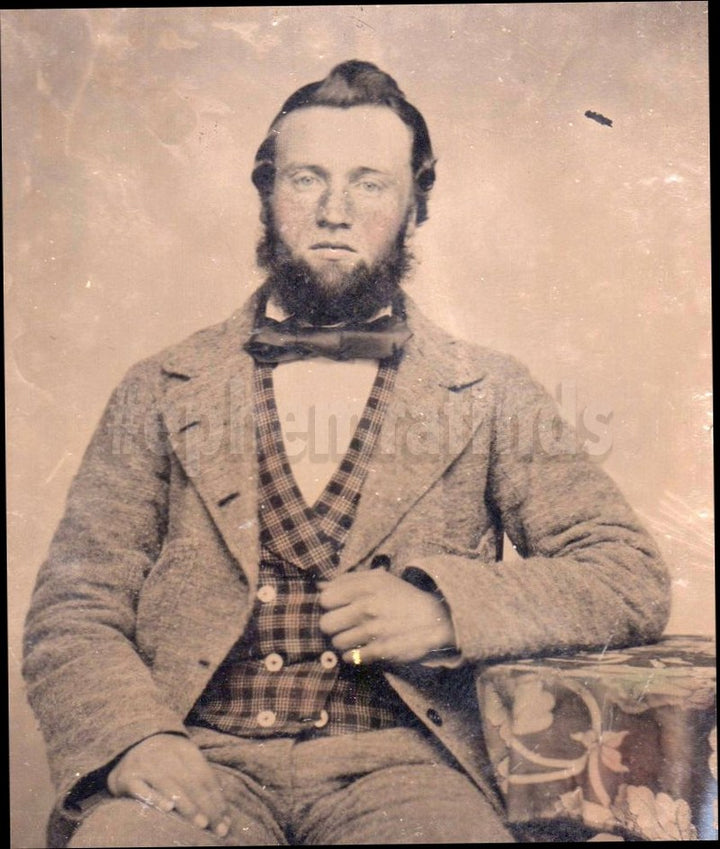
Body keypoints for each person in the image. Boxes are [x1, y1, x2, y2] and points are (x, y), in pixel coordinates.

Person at [23, 60, 671, 847]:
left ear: (413, 205)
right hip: (201, 760)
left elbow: (627, 575)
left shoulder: (491, 390)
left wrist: (446, 609)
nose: (335, 210)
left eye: (369, 183)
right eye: (306, 179)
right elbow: (75, 604)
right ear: (267, 194)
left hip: (408, 769)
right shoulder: (160, 387)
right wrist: (136, 738)